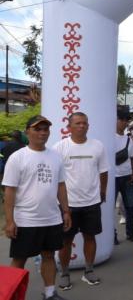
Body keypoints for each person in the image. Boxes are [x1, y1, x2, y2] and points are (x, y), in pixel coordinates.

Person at [2, 115, 72, 300]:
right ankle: (10, 294)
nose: (42, 133)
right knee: (19, 259)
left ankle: (50, 293)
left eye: (45, 129)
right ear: (27, 132)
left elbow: (61, 185)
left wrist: (66, 211)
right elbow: (9, 191)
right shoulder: (18, 158)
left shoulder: (55, 157)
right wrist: (10, 221)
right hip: (26, 219)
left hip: (51, 218)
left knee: (48, 255)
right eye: (37, 129)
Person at [53, 112, 109, 289]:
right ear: (69, 127)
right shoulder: (60, 148)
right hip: (68, 205)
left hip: (91, 202)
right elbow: (55, 177)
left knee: (90, 237)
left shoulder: (97, 146)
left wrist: (102, 191)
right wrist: (61, 203)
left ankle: (89, 271)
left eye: (84, 123)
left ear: (88, 126)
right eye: (77, 123)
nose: (81, 126)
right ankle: (64, 273)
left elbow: (104, 171)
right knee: (65, 241)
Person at [115, 109, 133, 243]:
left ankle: (130, 233)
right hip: (113, 177)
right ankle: (112, 235)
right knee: (111, 207)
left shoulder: (128, 139)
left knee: (130, 206)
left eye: (126, 120)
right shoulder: (108, 137)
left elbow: (132, 158)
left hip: (127, 176)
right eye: (121, 119)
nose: (124, 123)